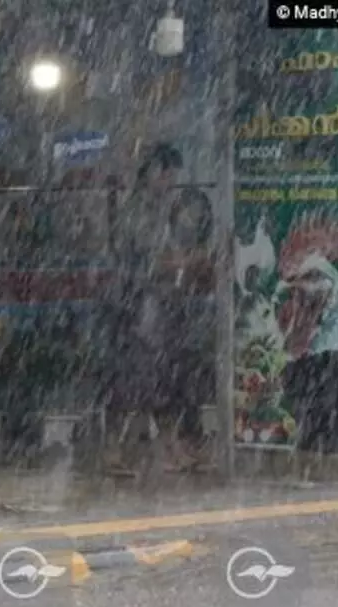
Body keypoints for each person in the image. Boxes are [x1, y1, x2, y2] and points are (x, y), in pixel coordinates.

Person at [106, 143, 210, 475]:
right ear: (154, 172)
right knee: (139, 380)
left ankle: (168, 445)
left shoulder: (160, 208)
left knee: (165, 377)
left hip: (158, 302)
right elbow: (150, 259)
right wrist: (187, 261)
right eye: (168, 174)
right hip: (138, 303)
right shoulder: (138, 209)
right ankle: (120, 450)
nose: (170, 182)